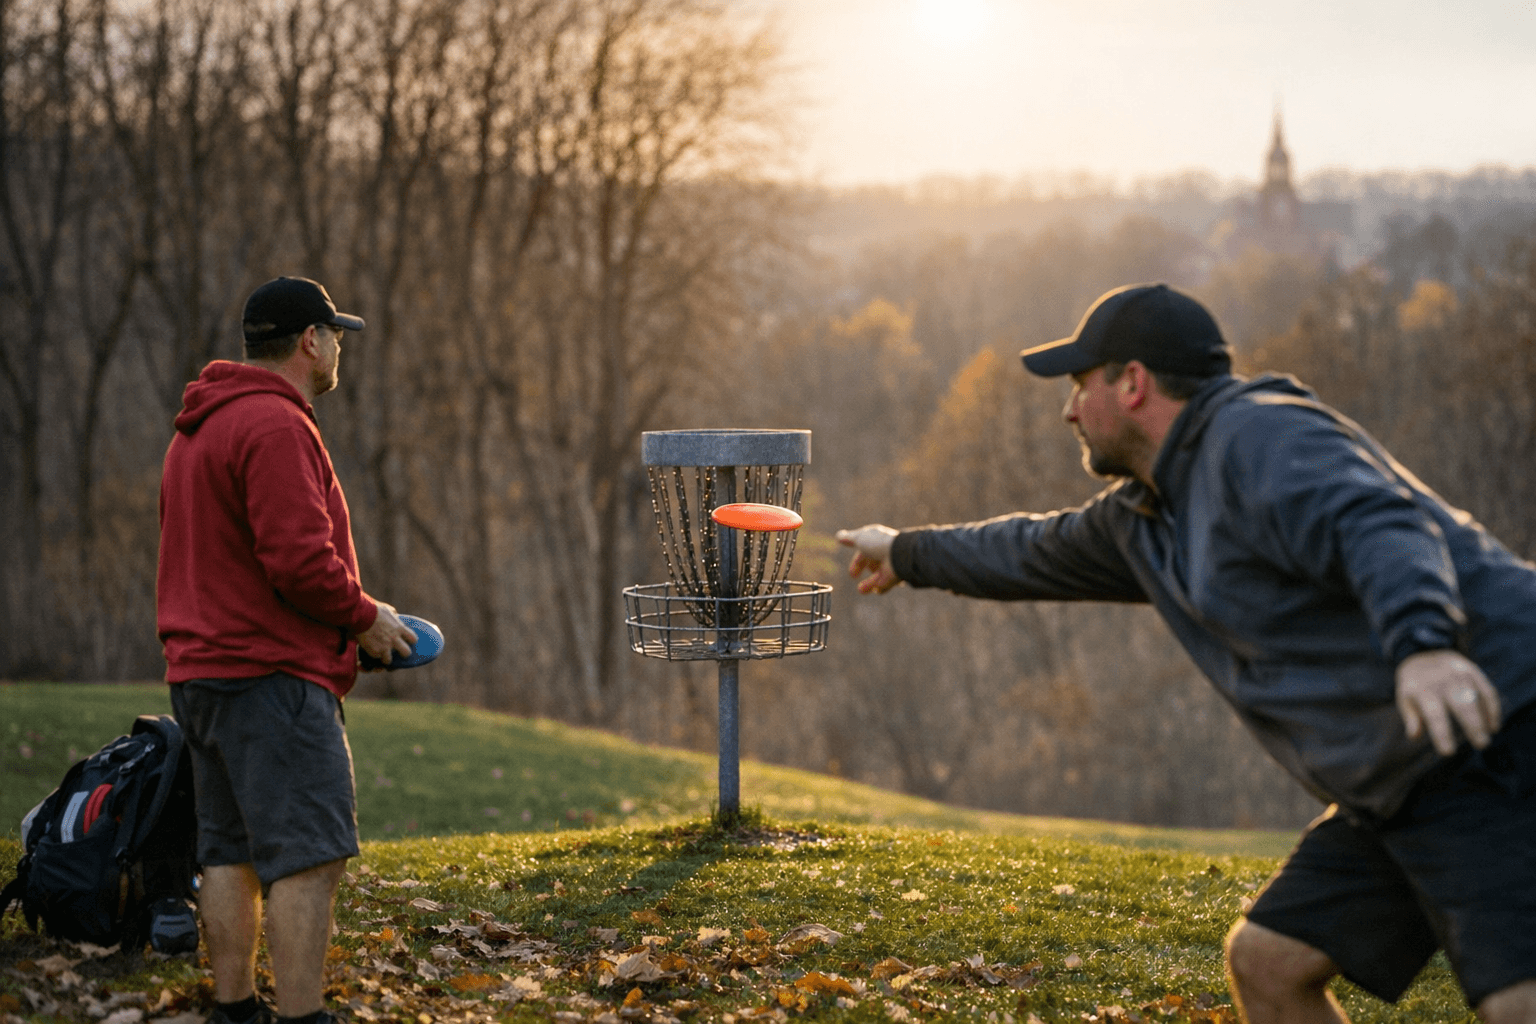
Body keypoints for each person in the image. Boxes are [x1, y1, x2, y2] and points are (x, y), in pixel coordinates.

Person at [837, 283, 1536, 1024]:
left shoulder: (1257, 438)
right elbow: (1029, 549)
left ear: (1132, 382)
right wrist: (905, 553)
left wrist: (1424, 647)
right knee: (1268, 961)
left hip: (1493, 725)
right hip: (1396, 775)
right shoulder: (1144, 514)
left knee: (1517, 1001)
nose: (1069, 410)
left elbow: (1377, 524)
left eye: (1080, 385)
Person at [157, 276, 417, 1024]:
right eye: (334, 334)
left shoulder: (197, 427)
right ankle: (303, 1017)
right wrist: (365, 618)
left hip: (202, 675)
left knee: (228, 852)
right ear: (311, 341)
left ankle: (235, 1012)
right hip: (269, 679)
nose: (338, 348)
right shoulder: (274, 426)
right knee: (309, 855)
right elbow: (298, 562)